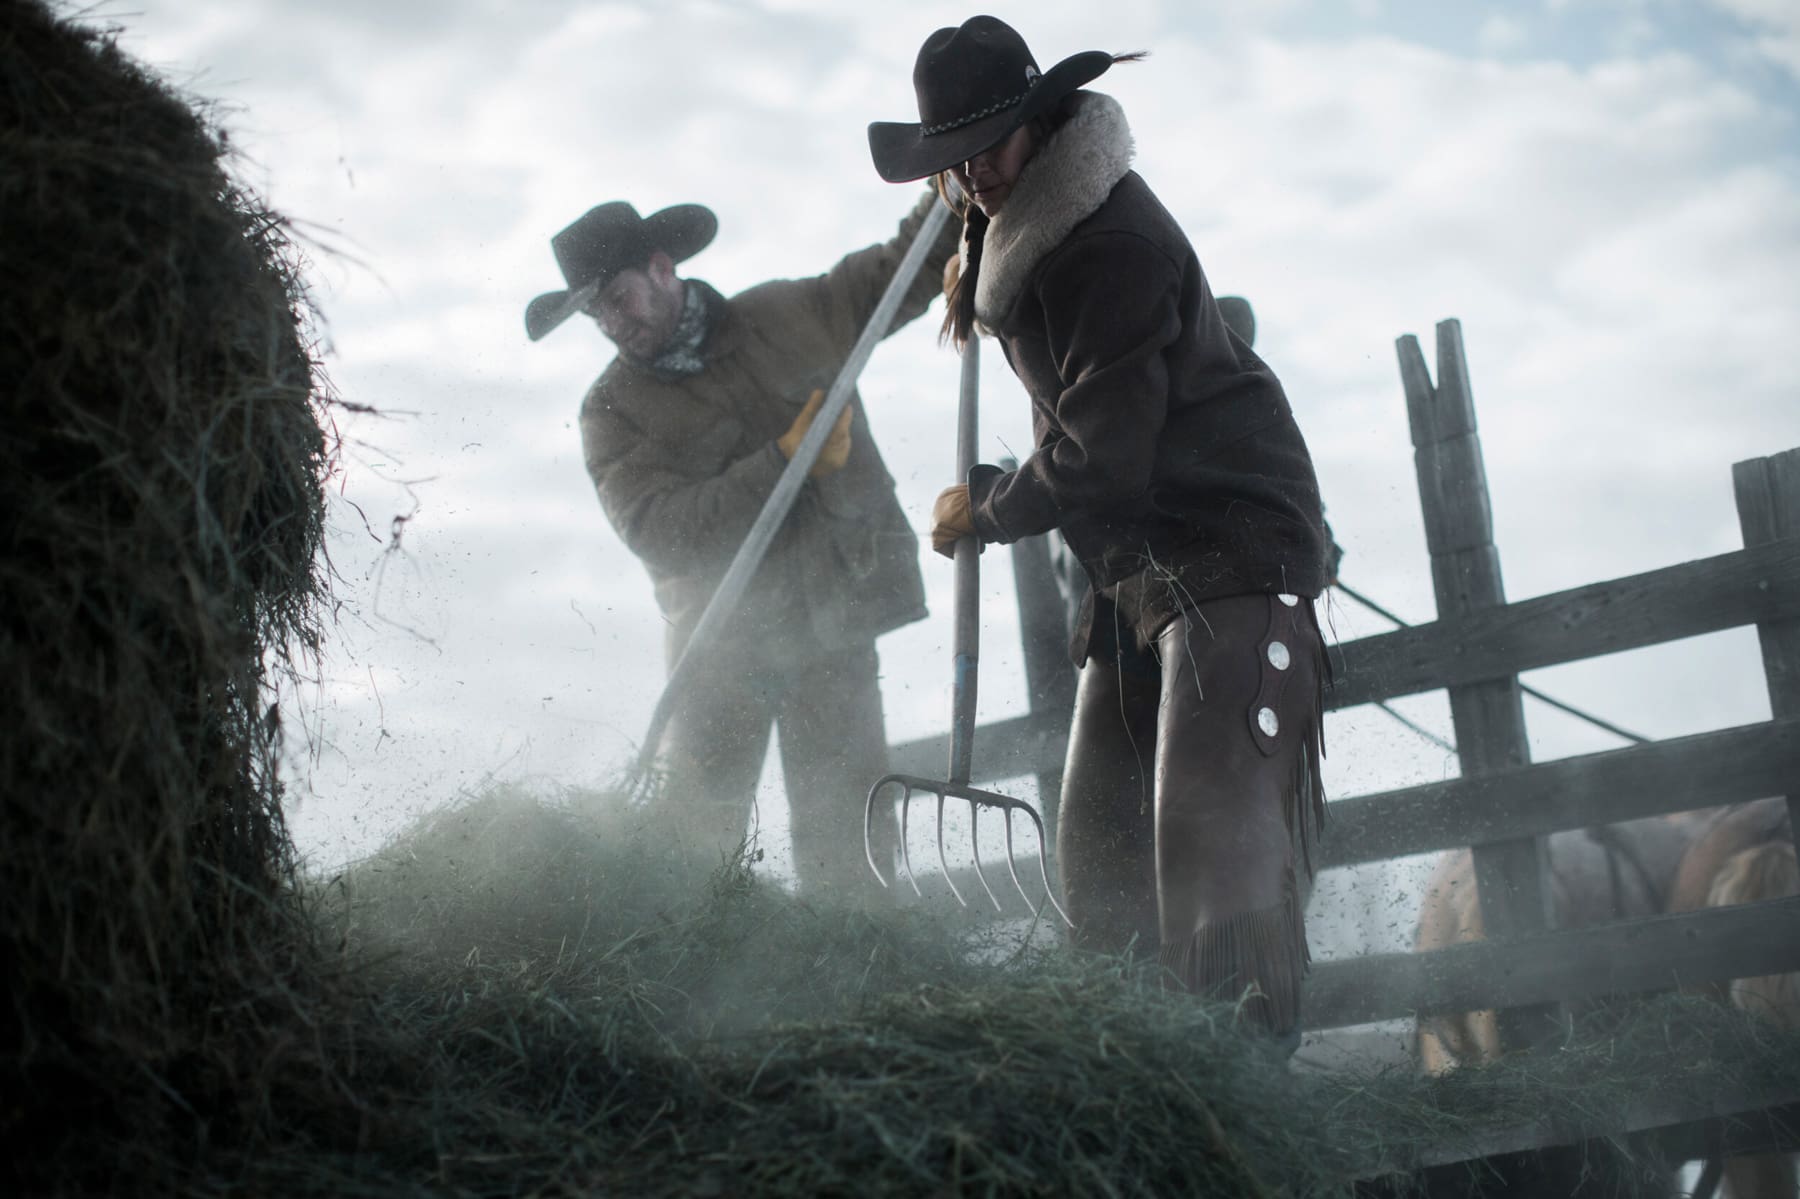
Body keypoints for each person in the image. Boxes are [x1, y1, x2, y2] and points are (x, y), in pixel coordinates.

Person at [869, 17, 1334, 1040]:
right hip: (1138, 569)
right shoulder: (1013, 225)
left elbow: (1103, 455)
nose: (976, 169)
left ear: (1039, 119)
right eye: (955, 154)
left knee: (1210, 867)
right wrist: (984, 287)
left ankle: (1246, 1102)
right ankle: (1131, 1078)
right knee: (1100, 858)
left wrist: (990, 508)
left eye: (992, 141)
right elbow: (1087, 428)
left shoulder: (1108, 244)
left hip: (1228, 545)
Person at [525, 194, 956, 902]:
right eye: (595, 314)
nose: (612, 325)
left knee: (852, 840)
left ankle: (868, 978)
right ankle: (688, 987)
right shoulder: (610, 412)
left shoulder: (789, 316)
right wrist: (785, 459)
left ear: (662, 268)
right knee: (693, 850)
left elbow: (902, 270)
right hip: (722, 650)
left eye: (619, 299)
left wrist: (955, 182)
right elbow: (662, 531)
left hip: (833, 627)